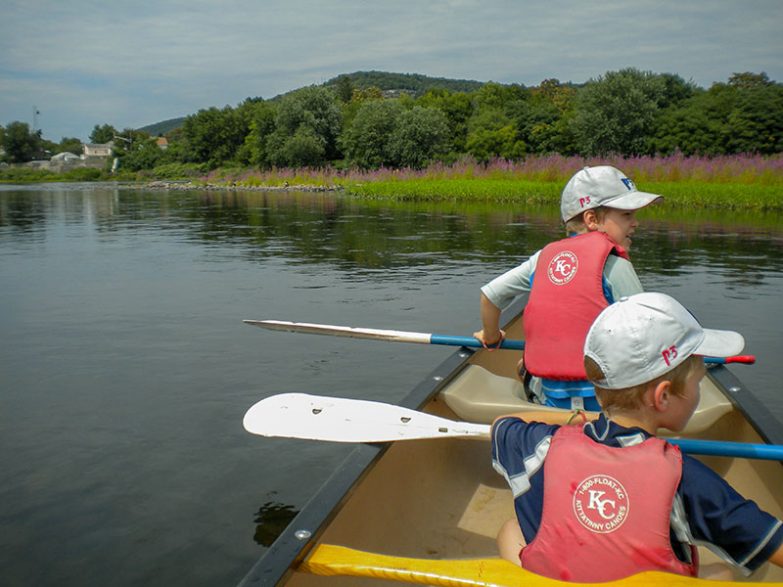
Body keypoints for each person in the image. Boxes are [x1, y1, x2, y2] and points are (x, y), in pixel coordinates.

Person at [491, 292, 783, 582]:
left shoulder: (544, 444)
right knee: (725, 571)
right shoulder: (686, 478)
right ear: (664, 395)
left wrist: (579, 420)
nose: (698, 390)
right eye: (699, 382)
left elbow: (502, 424)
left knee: (511, 530)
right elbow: (774, 545)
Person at [474, 165, 662, 411]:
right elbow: (647, 331)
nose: (635, 223)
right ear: (592, 219)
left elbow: (490, 297)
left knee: (526, 370)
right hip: (607, 402)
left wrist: (492, 337)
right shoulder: (615, 265)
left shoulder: (542, 258)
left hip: (551, 399)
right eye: (627, 215)